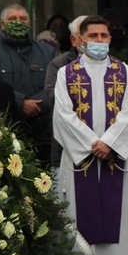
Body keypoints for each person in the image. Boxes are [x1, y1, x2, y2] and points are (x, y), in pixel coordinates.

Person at [53, 15, 128, 255]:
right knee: (80, 220)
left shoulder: (125, 72)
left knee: (117, 219)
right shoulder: (65, 74)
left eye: (104, 36)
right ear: (80, 40)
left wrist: (109, 144)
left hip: (113, 161)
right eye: (93, 36)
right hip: (81, 161)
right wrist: (92, 145)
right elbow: (63, 116)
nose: (100, 41)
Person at [0, 4, 57, 164]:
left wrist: (37, 105)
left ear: (29, 23)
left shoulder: (47, 52)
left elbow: (56, 83)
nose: (18, 22)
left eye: (22, 18)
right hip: (6, 132)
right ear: (2, 24)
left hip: (43, 131)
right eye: (13, 19)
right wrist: (20, 103)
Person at [44, 15, 88, 168]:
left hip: (106, 147)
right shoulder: (59, 65)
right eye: (84, 35)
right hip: (67, 147)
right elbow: (53, 98)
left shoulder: (117, 67)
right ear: (74, 40)